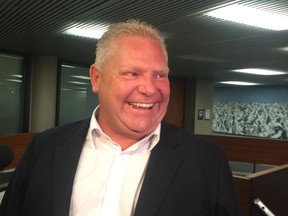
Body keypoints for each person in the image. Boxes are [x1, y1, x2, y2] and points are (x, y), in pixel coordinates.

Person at [0, 19, 240, 216]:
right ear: (96, 79)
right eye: (132, 73)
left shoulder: (207, 162)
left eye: (160, 75)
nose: (149, 88)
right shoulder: (44, 147)